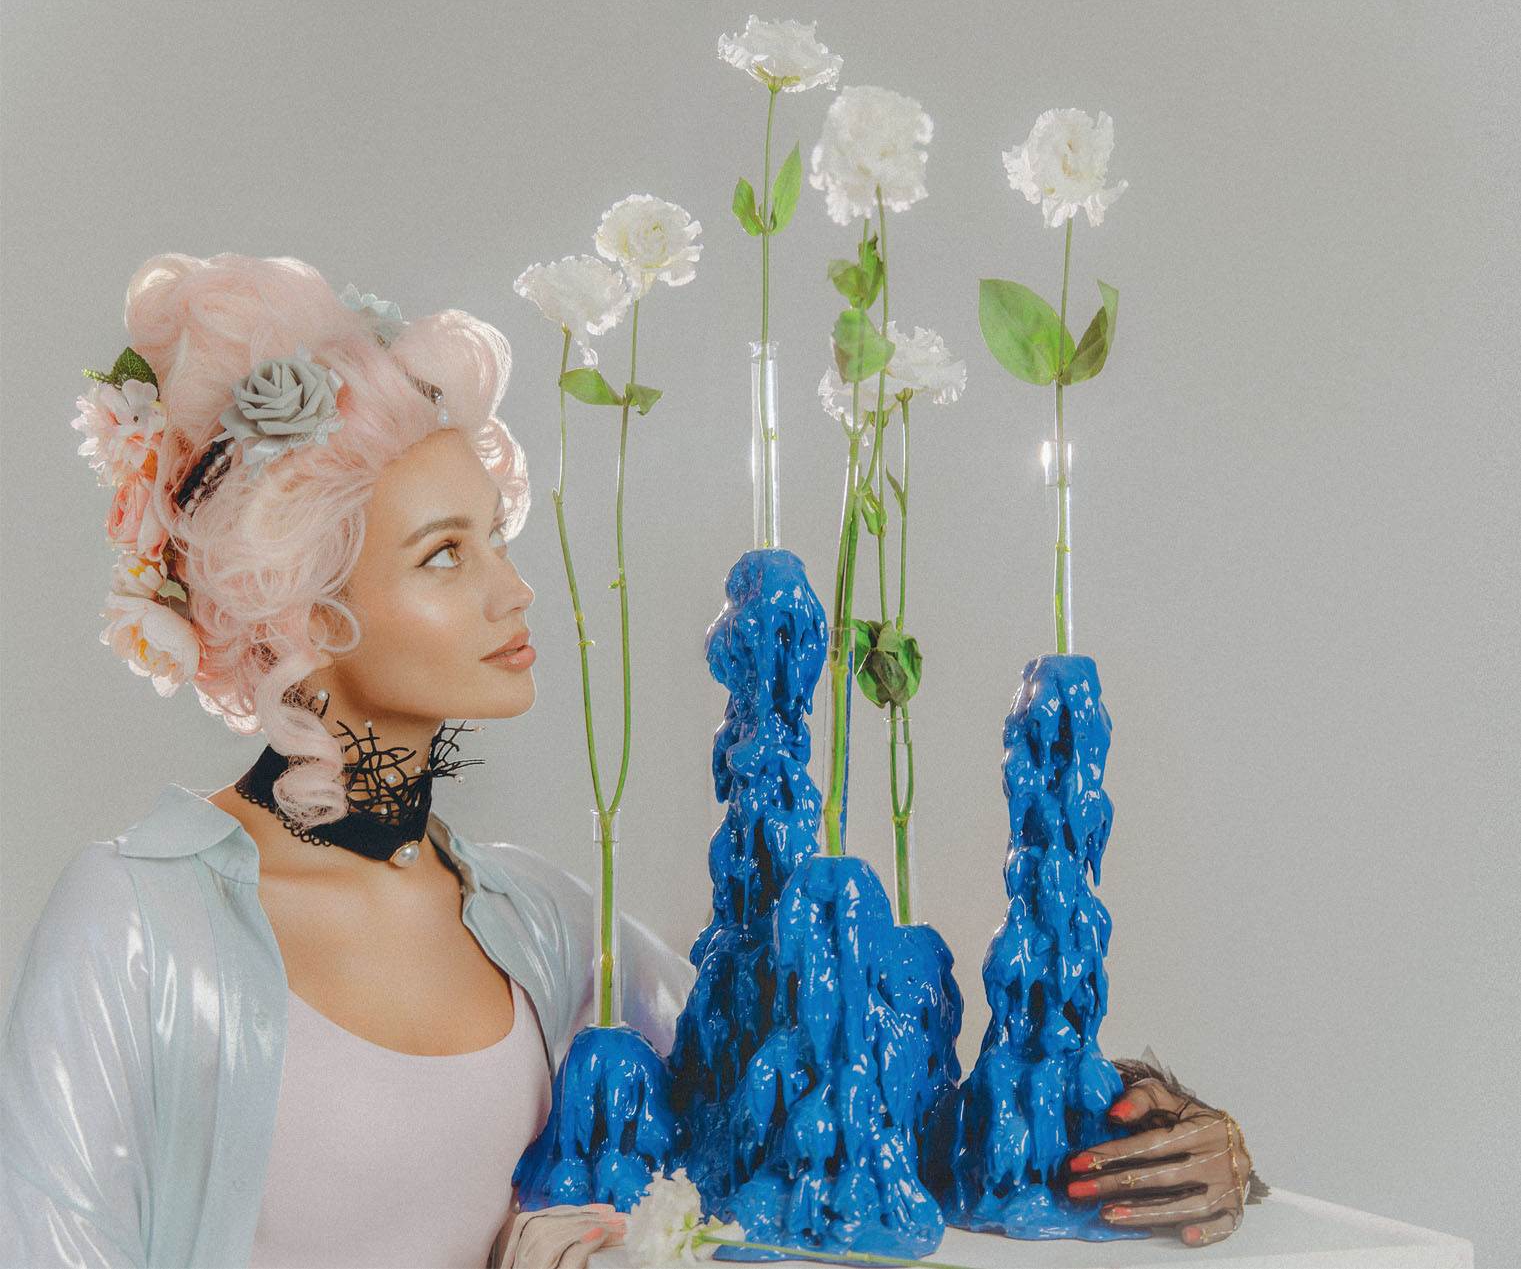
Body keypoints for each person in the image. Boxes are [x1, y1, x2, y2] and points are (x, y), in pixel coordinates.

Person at [2, 253, 1254, 1267]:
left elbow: (817, 1079)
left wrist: (1155, 1131)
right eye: (444, 556)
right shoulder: (138, 923)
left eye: (496, 537)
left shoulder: (543, 924)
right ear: (303, 614)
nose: (512, 590)